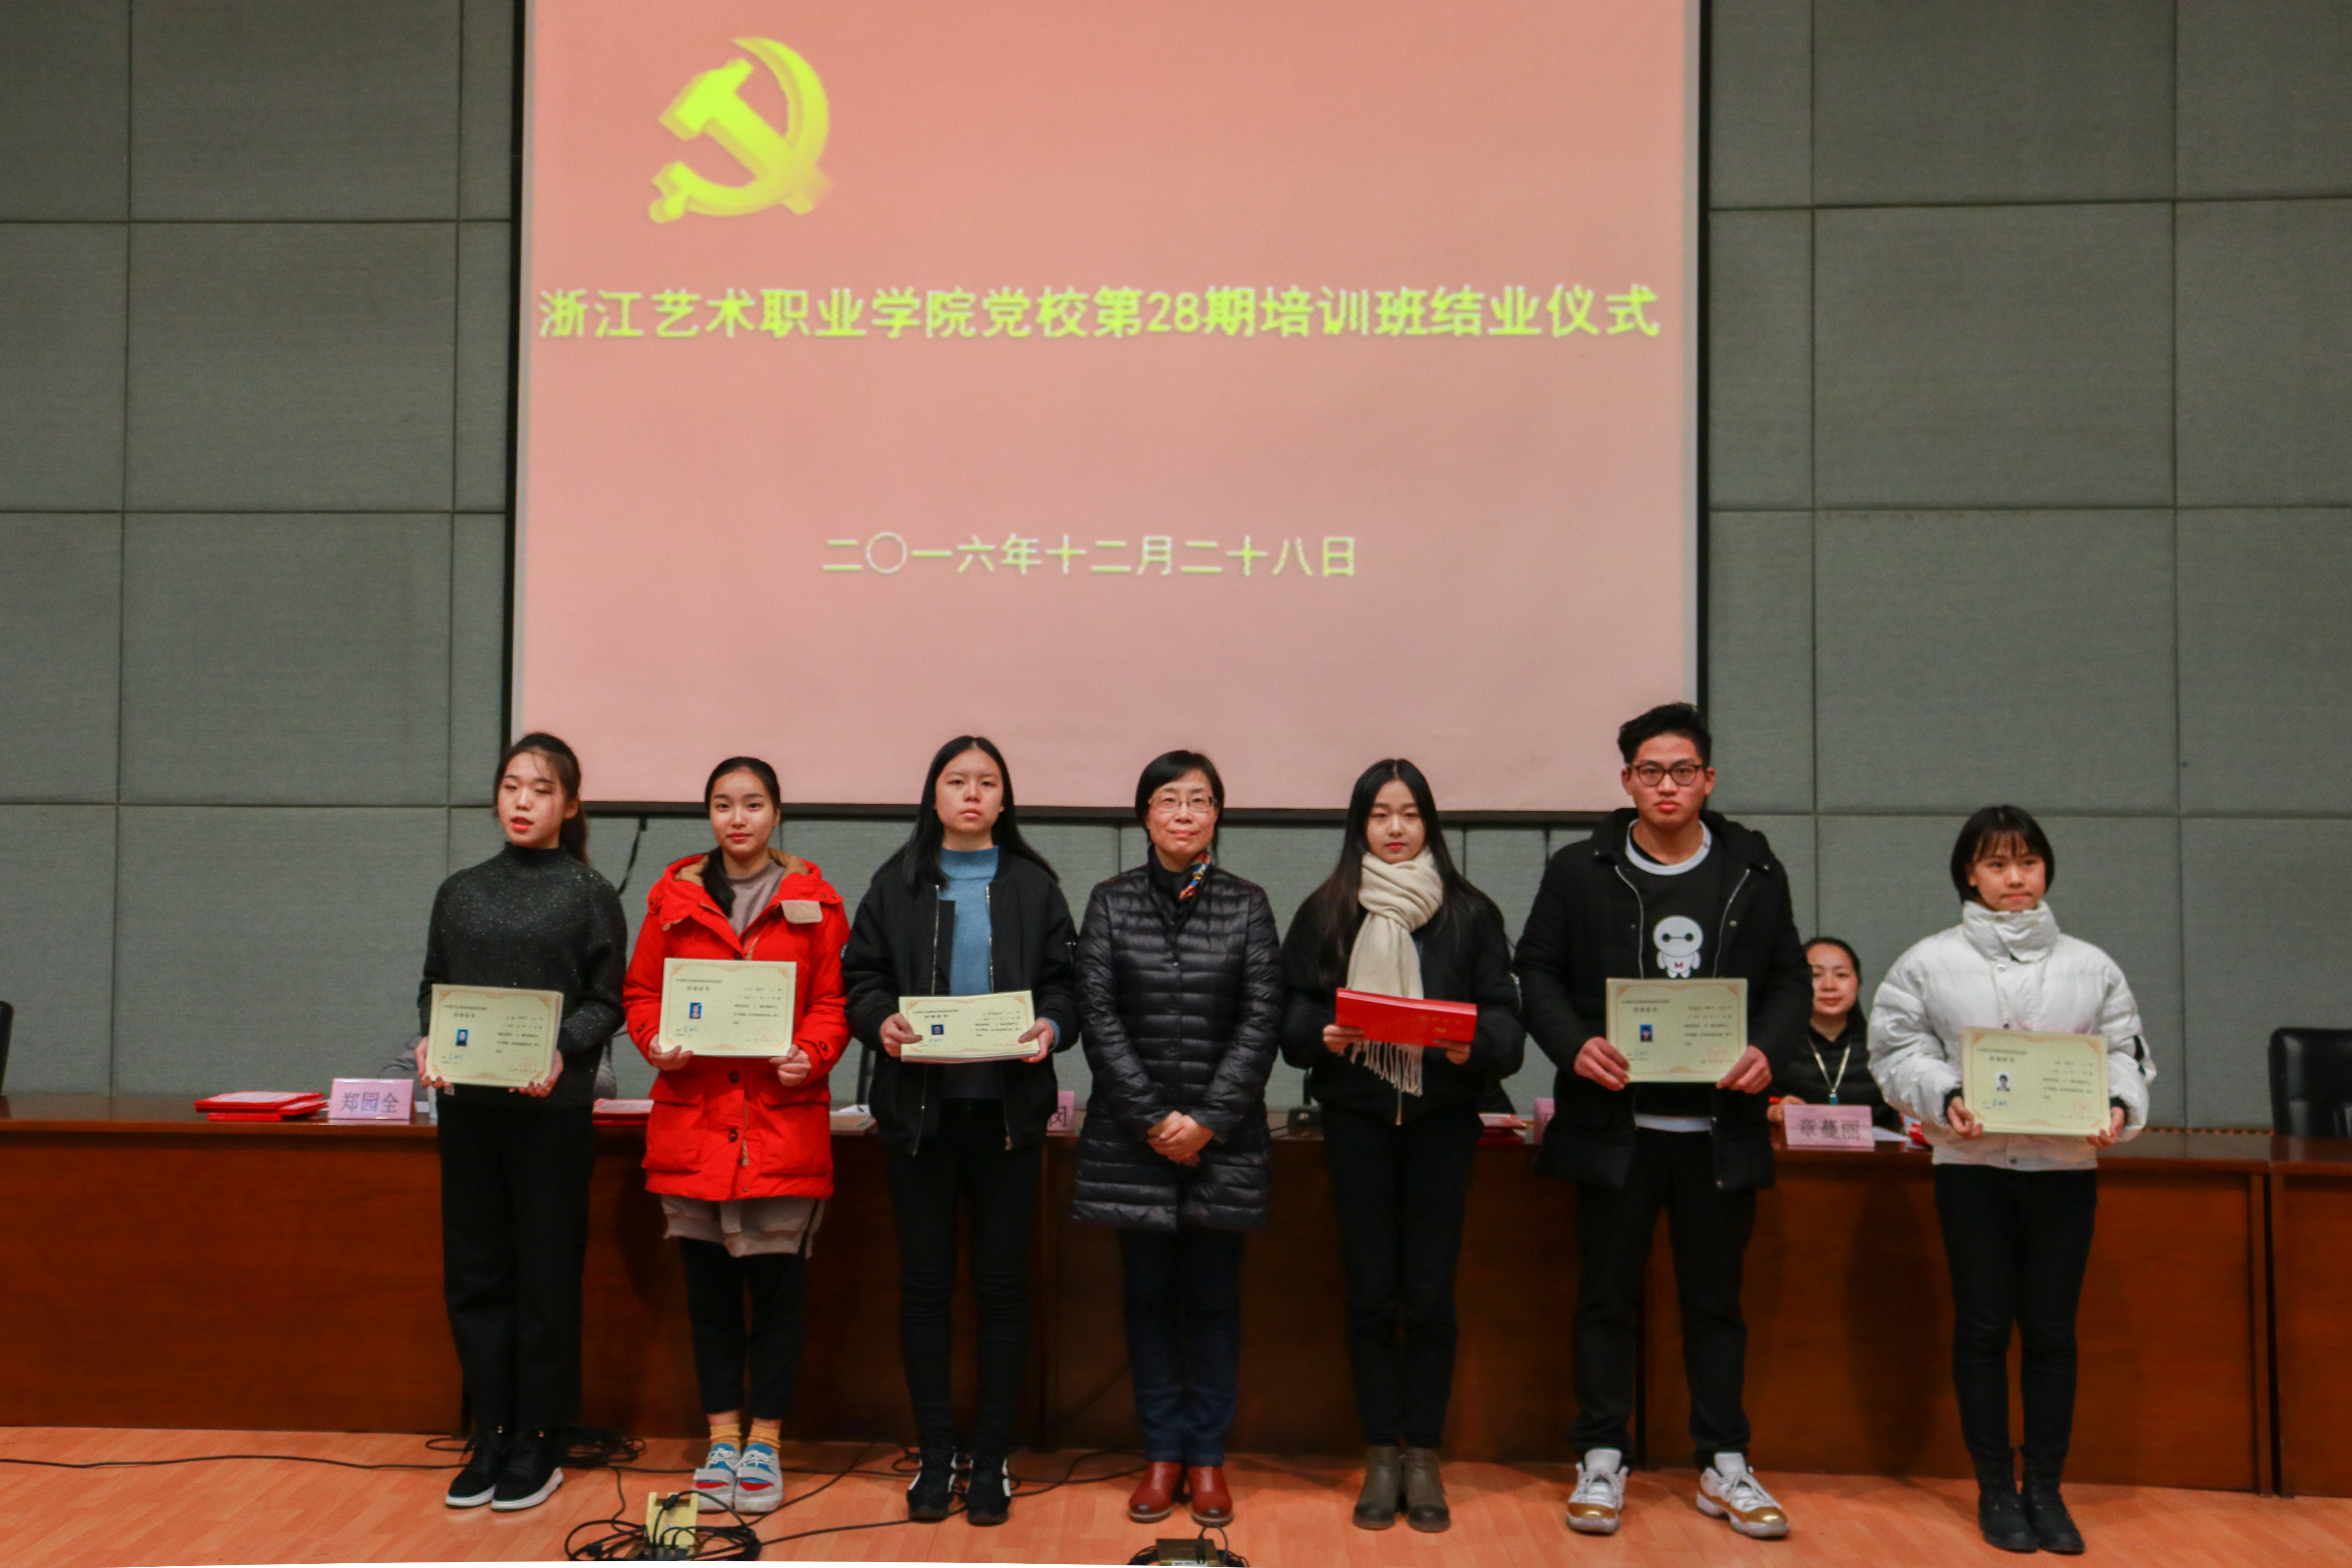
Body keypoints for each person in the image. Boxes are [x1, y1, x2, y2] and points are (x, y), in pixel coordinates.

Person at [1514, 703, 1809, 1541]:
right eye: (1650, 771)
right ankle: (1601, 1456)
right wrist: (1573, 1045)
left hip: (1717, 1134)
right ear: (1626, 781)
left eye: (1682, 771)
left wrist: (1766, 1050)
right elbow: (1535, 970)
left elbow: (1790, 978)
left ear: (1707, 780)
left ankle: (1724, 1463)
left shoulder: (1753, 869)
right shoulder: (1581, 869)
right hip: (1614, 1133)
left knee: (1715, 1305)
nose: (1667, 785)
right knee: (1604, 1300)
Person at [1869, 806, 2153, 1556]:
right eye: (1996, 864)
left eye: (2027, 862)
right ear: (1969, 874)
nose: (2014, 877)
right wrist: (1944, 1095)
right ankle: (1995, 1487)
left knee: (2053, 1333)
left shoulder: (2092, 965)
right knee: (1983, 1329)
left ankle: (2046, 1489)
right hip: (1972, 1169)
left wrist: (2116, 1104)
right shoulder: (1925, 962)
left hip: (2064, 1170)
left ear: (2046, 869)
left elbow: (2124, 1053)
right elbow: (1895, 1053)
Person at [1278, 760, 1524, 1532]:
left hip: (1441, 1124)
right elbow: (1288, 1019)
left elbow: (1508, 1027)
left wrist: (1470, 1044)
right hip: (1355, 1122)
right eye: (1379, 814)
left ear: (1429, 824)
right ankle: (1380, 1451)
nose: (1394, 828)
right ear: (1359, 825)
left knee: (1430, 1294)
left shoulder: (1469, 912)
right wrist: (1320, 1032)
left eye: (1409, 813)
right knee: (1370, 1291)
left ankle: (1424, 1453)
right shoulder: (1327, 910)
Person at [843, 737, 1080, 1527]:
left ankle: (993, 1456)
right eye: (957, 781)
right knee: (925, 1288)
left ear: (1004, 800)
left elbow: (1066, 985)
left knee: (1003, 1289)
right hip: (922, 1119)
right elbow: (861, 979)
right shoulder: (897, 882)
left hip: (1007, 1118)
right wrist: (880, 1020)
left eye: (987, 782)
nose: (972, 793)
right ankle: (937, 1452)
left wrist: (1052, 1025)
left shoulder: (1034, 886)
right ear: (934, 795)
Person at [621, 758, 851, 1517]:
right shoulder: (670, 898)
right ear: (709, 815)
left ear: (776, 812)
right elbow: (642, 993)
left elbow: (833, 1001)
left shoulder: (816, 900)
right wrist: (655, 1042)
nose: (737, 818)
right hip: (695, 1121)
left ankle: (766, 1444)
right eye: (723, 804)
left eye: (752, 804)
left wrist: (811, 1053)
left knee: (779, 1296)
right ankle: (722, 1439)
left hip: (779, 1124)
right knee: (710, 1297)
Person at [414, 733, 628, 1512]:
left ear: (569, 805)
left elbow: (609, 1001)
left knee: (545, 1275)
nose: (523, 801)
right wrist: (431, 1038)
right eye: (511, 786)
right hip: (470, 1110)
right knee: (475, 1274)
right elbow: (433, 986)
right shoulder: (460, 891)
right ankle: (492, 1428)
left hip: (550, 1114)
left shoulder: (588, 892)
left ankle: (540, 1435)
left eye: (540, 789)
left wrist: (560, 1049)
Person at [1071, 751, 1282, 1530]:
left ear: (1217, 815)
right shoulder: (1110, 901)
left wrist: (1208, 1121)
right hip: (1134, 1143)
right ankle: (1161, 1453)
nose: (1184, 813)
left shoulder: (1249, 904)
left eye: (1199, 800)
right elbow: (1097, 1015)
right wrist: (1155, 1121)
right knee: (1149, 1301)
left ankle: (1207, 1458)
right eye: (1169, 799)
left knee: (1215, 1302)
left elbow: (1261, 1018)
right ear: (1145, 815)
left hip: (1223, 1142)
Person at [1768, 938, 1897, 1130]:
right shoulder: (1774, 1046)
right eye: (1816, 975)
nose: (1829, 986)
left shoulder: (1883, 1045)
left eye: (1841, 975)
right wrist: (1773, 1111)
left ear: (1858, 984)